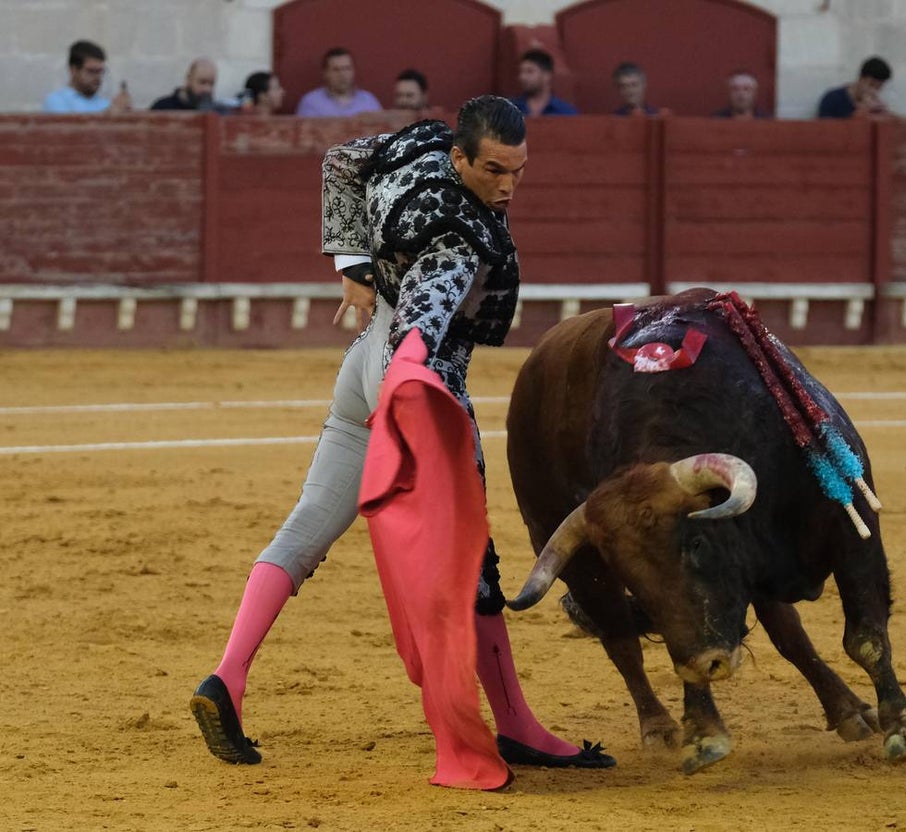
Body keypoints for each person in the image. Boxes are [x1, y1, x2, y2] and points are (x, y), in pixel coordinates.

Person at [190, 95, 614, 784]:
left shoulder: (415, 144)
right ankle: (512, 729)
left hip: (363, 362)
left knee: (306, 530)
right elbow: (428, 314)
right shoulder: (460, 237)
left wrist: (354, 268)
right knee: (469, 564)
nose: (507, 186)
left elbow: (341, 162)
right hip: (416, 381)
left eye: (519, 171)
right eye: (494, 170)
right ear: (460, 156)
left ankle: (226, 679)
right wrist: (416, 390)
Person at [43, 39, 131, 114]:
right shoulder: (56, 101)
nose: (97, 77)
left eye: (100, 71)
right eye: (91, 71)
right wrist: (109, 115)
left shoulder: (105, 103)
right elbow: (70, 131)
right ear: (73, 70)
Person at [295, 47, 382, 117]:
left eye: (347, 68)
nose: (342, 74)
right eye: (336, 70)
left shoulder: (369, 101)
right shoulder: (311, 103)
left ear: (353, 71)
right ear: (325, 73)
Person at [817, 56, 893, 119]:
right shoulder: (832, 99)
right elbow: (824, 131)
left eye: (878, 87)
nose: (872, 91)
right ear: (860, 79)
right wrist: (861, 113)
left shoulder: (875, 104)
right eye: (871, 85)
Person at [511, 49, 577, 117]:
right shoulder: (511, 110)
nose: (522, 77)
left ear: (547, 75)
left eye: (529, 71)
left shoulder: (565, 112)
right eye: (521, 72)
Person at [151, 57, 221, 111]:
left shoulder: (217, 113)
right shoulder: (162, 108)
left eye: (211, 84)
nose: (207, 89)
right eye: (202, 82)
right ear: (189, 80)